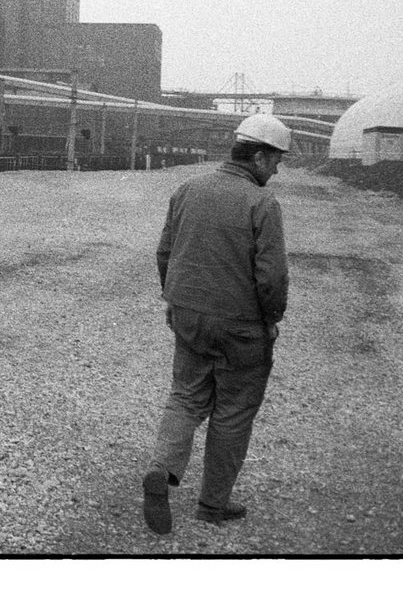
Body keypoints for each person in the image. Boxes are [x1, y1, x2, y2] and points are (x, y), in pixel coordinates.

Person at [141, 113, 292, 534]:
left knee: (186, 397)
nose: (278, 168)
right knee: (233, 411)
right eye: (276, 159)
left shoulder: (188, 189)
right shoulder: (261, 203)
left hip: (189, 317)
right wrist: (271, 320)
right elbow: (272, 277)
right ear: (259, 157)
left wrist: (174, 300)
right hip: (241, 326)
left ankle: (162, 468)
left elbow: (164, 253)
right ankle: (212, 504)